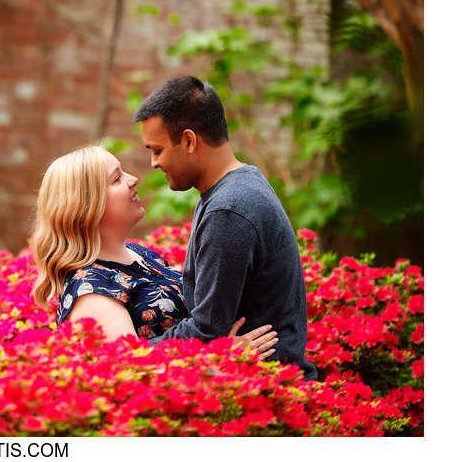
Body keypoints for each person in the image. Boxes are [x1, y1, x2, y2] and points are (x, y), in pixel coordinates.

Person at [133, 75, 318, 380]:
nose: (153, 162)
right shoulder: (240, 184)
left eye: (157, 150)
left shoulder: (229, 209)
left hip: (266, 392)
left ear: (189, 141)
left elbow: (206, 330)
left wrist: (128, 357)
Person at [31, 145, 278, 359]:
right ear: (87, 206)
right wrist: (221, 354)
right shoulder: (91, 293)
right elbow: (132, 371)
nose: (133, 179)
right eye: (117, 178)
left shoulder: (141, 255)